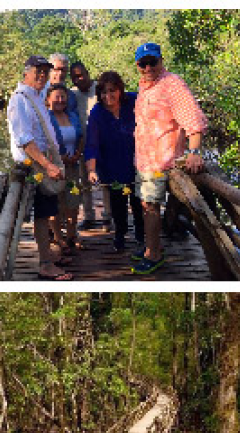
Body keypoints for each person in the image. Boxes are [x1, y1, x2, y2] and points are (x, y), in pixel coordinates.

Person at [132, 42, 208, 274]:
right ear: (137, 66)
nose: (148, 68)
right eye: (143, 64)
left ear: (161, 61)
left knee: (151, 206)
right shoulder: (144, 87)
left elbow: (193, 121)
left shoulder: (172, 85)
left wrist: (194, 153)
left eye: (152, 62)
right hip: (145, 160)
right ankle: (151, 246)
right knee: (147, 205)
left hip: (163, 161)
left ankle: (154, 254)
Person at [7, 55, 72, 280]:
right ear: (27, 72)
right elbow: (24, 140)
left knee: (46, 214)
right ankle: (45, 264)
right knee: (42, 216)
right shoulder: (19, 100)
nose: (43, 75)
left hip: (43, 164)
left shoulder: (36, 95)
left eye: (46, 71)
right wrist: (47, 166)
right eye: (38, 71)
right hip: (33, 168)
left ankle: (48, 256)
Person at [84, 71, 144, 252]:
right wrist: (91, 170)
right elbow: (91, 144)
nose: (108, 96)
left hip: (137, 163)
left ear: (120, 90)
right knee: (118, 204)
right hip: (111, 165)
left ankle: (141, 236)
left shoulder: (133, 101)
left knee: (139, 202)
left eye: (112, 90)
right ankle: (120, 235)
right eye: (103, 92)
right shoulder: (97, 113)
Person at [45, 83, 84, 254]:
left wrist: (78, 154)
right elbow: (43, 145)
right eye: (56, 97)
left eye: (63, 97)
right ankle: (58, 238)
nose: (60, 100)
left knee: (73, 203)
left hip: (73, 167)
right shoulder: (45, 118)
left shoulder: (73, 116)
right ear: (48, 100)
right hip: (54, 169)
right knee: (56, 204)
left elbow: (81, 136)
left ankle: (71, 236)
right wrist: (60, 159)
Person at [69, 61, 106, 231]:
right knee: (84, 182)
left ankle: (108, 217)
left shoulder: (101, 88)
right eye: (75, 76)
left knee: (105, 180)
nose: (79, 78)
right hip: (83, 143)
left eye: (81, 74)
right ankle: (89, 216)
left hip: (103, 142)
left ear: (87, 72)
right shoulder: (72, 94)